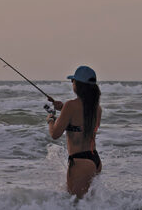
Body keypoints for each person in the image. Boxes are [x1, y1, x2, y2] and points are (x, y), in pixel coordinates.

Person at [46, 66, 102, 198]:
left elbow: (54, 134)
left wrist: (51, 119)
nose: (72, 84)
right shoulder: (97, 108)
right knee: (89, 205)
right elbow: (82, 122)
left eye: (73, 81)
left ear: (79, 85)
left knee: (75, 205)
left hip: (80, 162)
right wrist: (63, 109)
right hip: (95, 160)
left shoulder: (70, 106)